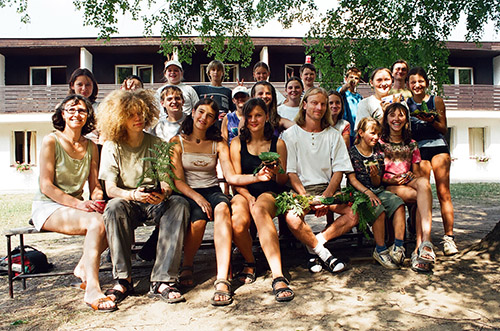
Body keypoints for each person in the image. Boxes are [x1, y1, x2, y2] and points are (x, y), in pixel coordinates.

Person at [170, 98, 273, 306]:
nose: (203, 118)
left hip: (212, 190)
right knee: (198, 220)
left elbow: (231, 177)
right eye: (200, 112)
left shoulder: (218, 143)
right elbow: (177, 180)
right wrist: (197, 198)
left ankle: (222, 278)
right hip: (188, 192)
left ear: (214, 120)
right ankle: (187, 265)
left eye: (209, 115)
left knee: (223, 209)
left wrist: (257, 177)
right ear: (192, 112)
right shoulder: (176, 141)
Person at [98, 89, 190, 304]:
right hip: (127, 201)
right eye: (131, 114)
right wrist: (132, 195)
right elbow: (110, 189)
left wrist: (164, 193)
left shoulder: (156, 143)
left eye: (140, 113)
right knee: (113, 207)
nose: (137, 118)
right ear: (119, 117)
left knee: (179, 204)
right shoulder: (112, 146)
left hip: (152, 201)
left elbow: (166, 181)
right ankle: (123, 279)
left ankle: (163, 280)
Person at [31, 94, 115, 312]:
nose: (77, 114)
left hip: (76, 206)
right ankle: (92, 289)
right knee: (97, 223)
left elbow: (95, 185)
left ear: (88, 116)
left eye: (82, 110)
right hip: (49, 206)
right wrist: (80, 205)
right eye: (71, 110)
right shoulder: (52, 140)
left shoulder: (91, 146)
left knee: (114, 221)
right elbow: (46, 186)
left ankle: (82, 267)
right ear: (62, 114)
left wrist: (97, 199)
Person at [281, 87, 357, 273]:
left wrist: (326, 196)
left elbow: (339, 169)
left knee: (355, 213)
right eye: (314, 102)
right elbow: (291, 172)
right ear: (304, 105)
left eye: (323, 104)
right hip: (302, 191)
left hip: (327, 189)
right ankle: (325, 255)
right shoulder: (291, 135)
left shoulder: (334, 135)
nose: (320, 107)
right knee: (292, 217)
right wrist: (307, 198)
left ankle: (315, 245)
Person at [229, 98, 294, 302]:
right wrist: (248, 197)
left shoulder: (278, 143)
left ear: (267, 117)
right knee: (238, 221)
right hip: (243, 191)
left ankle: (278, 275)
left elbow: (283, 180)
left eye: (258, 115)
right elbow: (235, 180)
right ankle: (250, 261)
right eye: (249, 116)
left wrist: (276, 172)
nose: (253, 120)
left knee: (259, 210)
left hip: (271, 192)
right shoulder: (237, 143)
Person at [406, 66, 457, 255]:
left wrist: (430, 120)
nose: (417, 85)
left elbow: (443, 128)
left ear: (426, 83)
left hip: (438, 148)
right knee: (423, 194)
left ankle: (449, 238)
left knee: (444, 193)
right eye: (413, 82)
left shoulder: (436, 100)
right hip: (419, 150)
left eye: (420, 81)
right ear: (408, 85)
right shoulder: (406, 103)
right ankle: (421, 238)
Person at [379, 103, 435, 272]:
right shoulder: (380, 143)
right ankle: (420, 249)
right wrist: (393, 179)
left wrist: (412, 176)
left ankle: (424, 243)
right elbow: (376, 177)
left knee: (424, 183)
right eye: (392, 115)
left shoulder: (411, 143)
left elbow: (417, 173)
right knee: (420, 197)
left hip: (408, 181)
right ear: (387, 119)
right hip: (389, 185)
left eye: (401, 115)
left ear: (406, 119)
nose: (397, 119)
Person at [346, 117, 406, 269]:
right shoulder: (352, 153)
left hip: (376, 190)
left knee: (398, 203)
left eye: (378, 134)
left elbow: (377, 183)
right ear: (361, 133)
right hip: (359, 193)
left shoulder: (378, 151)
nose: (376, 137)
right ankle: (380, 250)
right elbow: (352, 179)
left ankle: (398, 247)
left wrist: (374, 176)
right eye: (372, 133)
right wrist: (368, 193)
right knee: (378, 209)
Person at [337, 67, 363, 144]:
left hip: (355, 131)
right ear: (346, 78)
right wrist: (347, 85)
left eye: (356, 78)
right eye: (351, 77)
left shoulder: (359, 97)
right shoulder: (343, 92)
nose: (353, 80)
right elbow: (340, 92)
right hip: (344, 129)